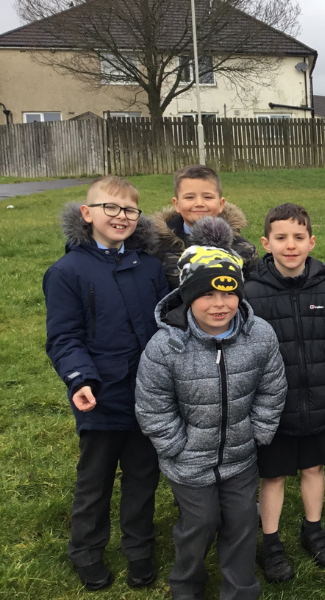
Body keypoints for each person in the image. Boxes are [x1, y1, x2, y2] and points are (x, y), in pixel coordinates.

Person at [135, 217, 287, 600]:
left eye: (229, 294)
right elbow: (153, 406)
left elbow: (272, 388)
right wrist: (176, 447)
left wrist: (259, 432)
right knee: (200, 523)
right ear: (187, 295)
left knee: (241, 522)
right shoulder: (165, 347)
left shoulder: (260, 336)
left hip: (240, 456)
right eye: (207, 295)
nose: (220, 305)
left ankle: (240, 590)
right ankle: (186, 585)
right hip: (188, 462)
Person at [43, 176, 167, 591]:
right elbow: (64, 337)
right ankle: (87, 550)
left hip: (148, 395)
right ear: (87, 213)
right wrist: (80, 378)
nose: (120, 216)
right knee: (94, 481)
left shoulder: (149, 267)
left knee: (141, 476)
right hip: (98, 396)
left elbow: (165, 325)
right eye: (110, 208)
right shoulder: (67, 271)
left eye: (129, 210)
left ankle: (139, 549)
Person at [244, 203, 325, 582]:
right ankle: (271, 541)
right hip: (272, 409)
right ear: (266, 242)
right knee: (273, 475)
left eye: (298, 237)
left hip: (318, 403)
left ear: (311, 242)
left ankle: (313, 528)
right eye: (281, 238)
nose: (290, 246)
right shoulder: (251, 294)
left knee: (313, 466)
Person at [152, 164, 259, 290]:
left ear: (221, 204)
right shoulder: (157, 248)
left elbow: (253, 295)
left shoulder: (244, 250)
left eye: (207, 197)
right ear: (177, 204)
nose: (199, 204)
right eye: (189, 197)